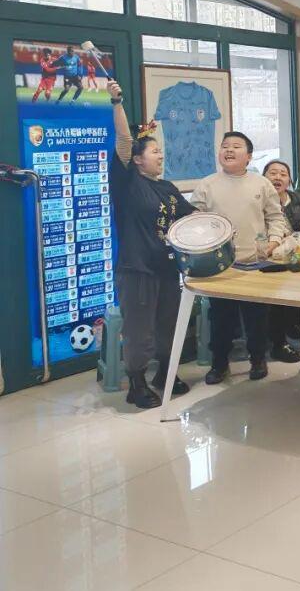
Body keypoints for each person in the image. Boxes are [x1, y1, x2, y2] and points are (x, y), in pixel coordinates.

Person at [107, 81, 196, 408]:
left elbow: (190, 218)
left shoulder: (168, 188)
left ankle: (164, 374)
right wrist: (117, 102)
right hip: (137, 270)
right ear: (137, 160)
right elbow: (124, 140)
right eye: (155, 151)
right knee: (139, 329)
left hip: (167, 269)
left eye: (160, 151)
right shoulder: (127, 183)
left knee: (167, 325)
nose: (161, 155)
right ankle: (137, 383)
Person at [191, 131, 289, 384]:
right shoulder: (207, 184)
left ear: (249, 156)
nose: (229, 150)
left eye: (236, 146)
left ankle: (258, 359)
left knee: (256, 317)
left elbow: (275, 217)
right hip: (220, 266)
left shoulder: (261, 184)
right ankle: (219, 364)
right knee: (220, 318)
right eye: (225, 146)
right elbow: (195, 221)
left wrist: (274, 242)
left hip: (254, 263)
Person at [262, 159, 300, 362]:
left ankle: (292, 326)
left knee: (299, 288)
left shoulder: (298, 199)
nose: (277, 177)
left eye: (283, 174)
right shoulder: (258, 200)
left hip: (296, 255)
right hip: (268, 259)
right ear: (263, 178)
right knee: (276, 298)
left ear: (289, 180)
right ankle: (278, 344)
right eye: (272, 173)